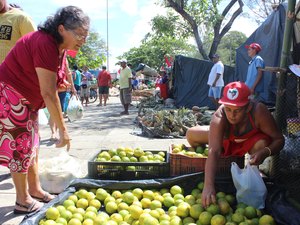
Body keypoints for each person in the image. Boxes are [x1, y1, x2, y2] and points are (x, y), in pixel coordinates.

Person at [0, 6, 89, 214]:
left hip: (27, 100)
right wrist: (63, 131)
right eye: (78, 34)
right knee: (20, 148)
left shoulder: (60, 48)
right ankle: (22, 201)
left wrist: (61, 83)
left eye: (85, 35)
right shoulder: (44, 43)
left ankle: (35, 190)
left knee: (31, 146)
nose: (82, 40)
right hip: (11, 95)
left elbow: (51, 81)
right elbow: (48, 93)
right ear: (61, 29)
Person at [186, 81, 284, 208]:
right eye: (228, 109)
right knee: (190, 134)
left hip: (250, 142)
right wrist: (208, 186)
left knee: (262, 143)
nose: (232, 115)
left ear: (248, 107)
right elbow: (214, 151)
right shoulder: (219, 116)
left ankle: (254, 170)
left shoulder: (259, 111)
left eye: (237, 110)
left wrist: (264, 152)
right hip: (225, 141)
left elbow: (279, 139)